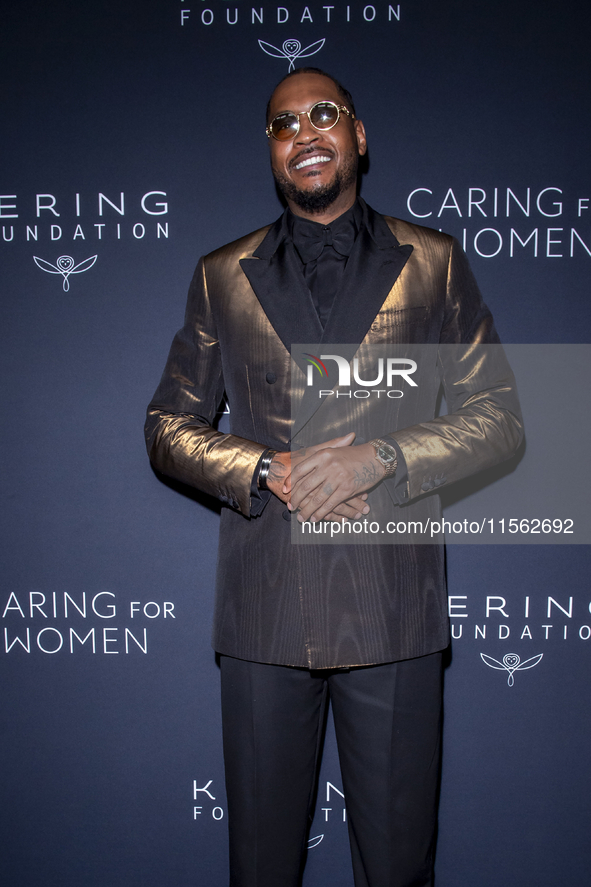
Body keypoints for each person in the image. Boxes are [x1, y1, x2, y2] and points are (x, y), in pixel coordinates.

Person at [145, 68, 522, 887]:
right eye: (284, 123)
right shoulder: (221, 273)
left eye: (324, 114)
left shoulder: (434, 262)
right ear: (271, 149)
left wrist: (381, 455)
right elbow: (166, 426)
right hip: (263, 616)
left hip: (392, 610)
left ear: (358, 135)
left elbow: (500, 418)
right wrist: (261, 465)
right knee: (260, 869)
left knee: (397, 870)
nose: (304, 132)